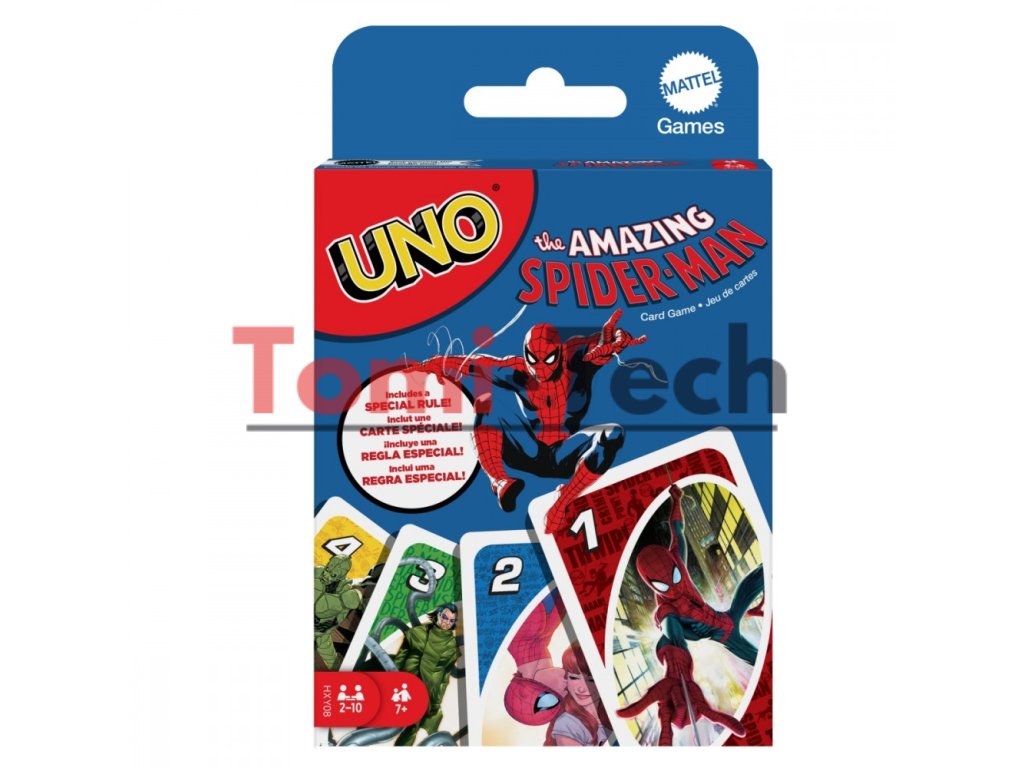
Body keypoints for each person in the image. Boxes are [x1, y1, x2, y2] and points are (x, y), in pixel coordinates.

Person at [408, 309, 646, 531]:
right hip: (529, 453)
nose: (539, 369)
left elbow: (602, 344)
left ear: (560, 352)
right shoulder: (517, 371)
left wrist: (618, 338)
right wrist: (431, 364)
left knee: (612, 433)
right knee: (485, 401)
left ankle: (562, 502)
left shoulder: (577, 359)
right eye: (533, 359)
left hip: (565, 455)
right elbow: (473, 364)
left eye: (548, 360)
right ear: (525, 354)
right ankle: (499, 481)